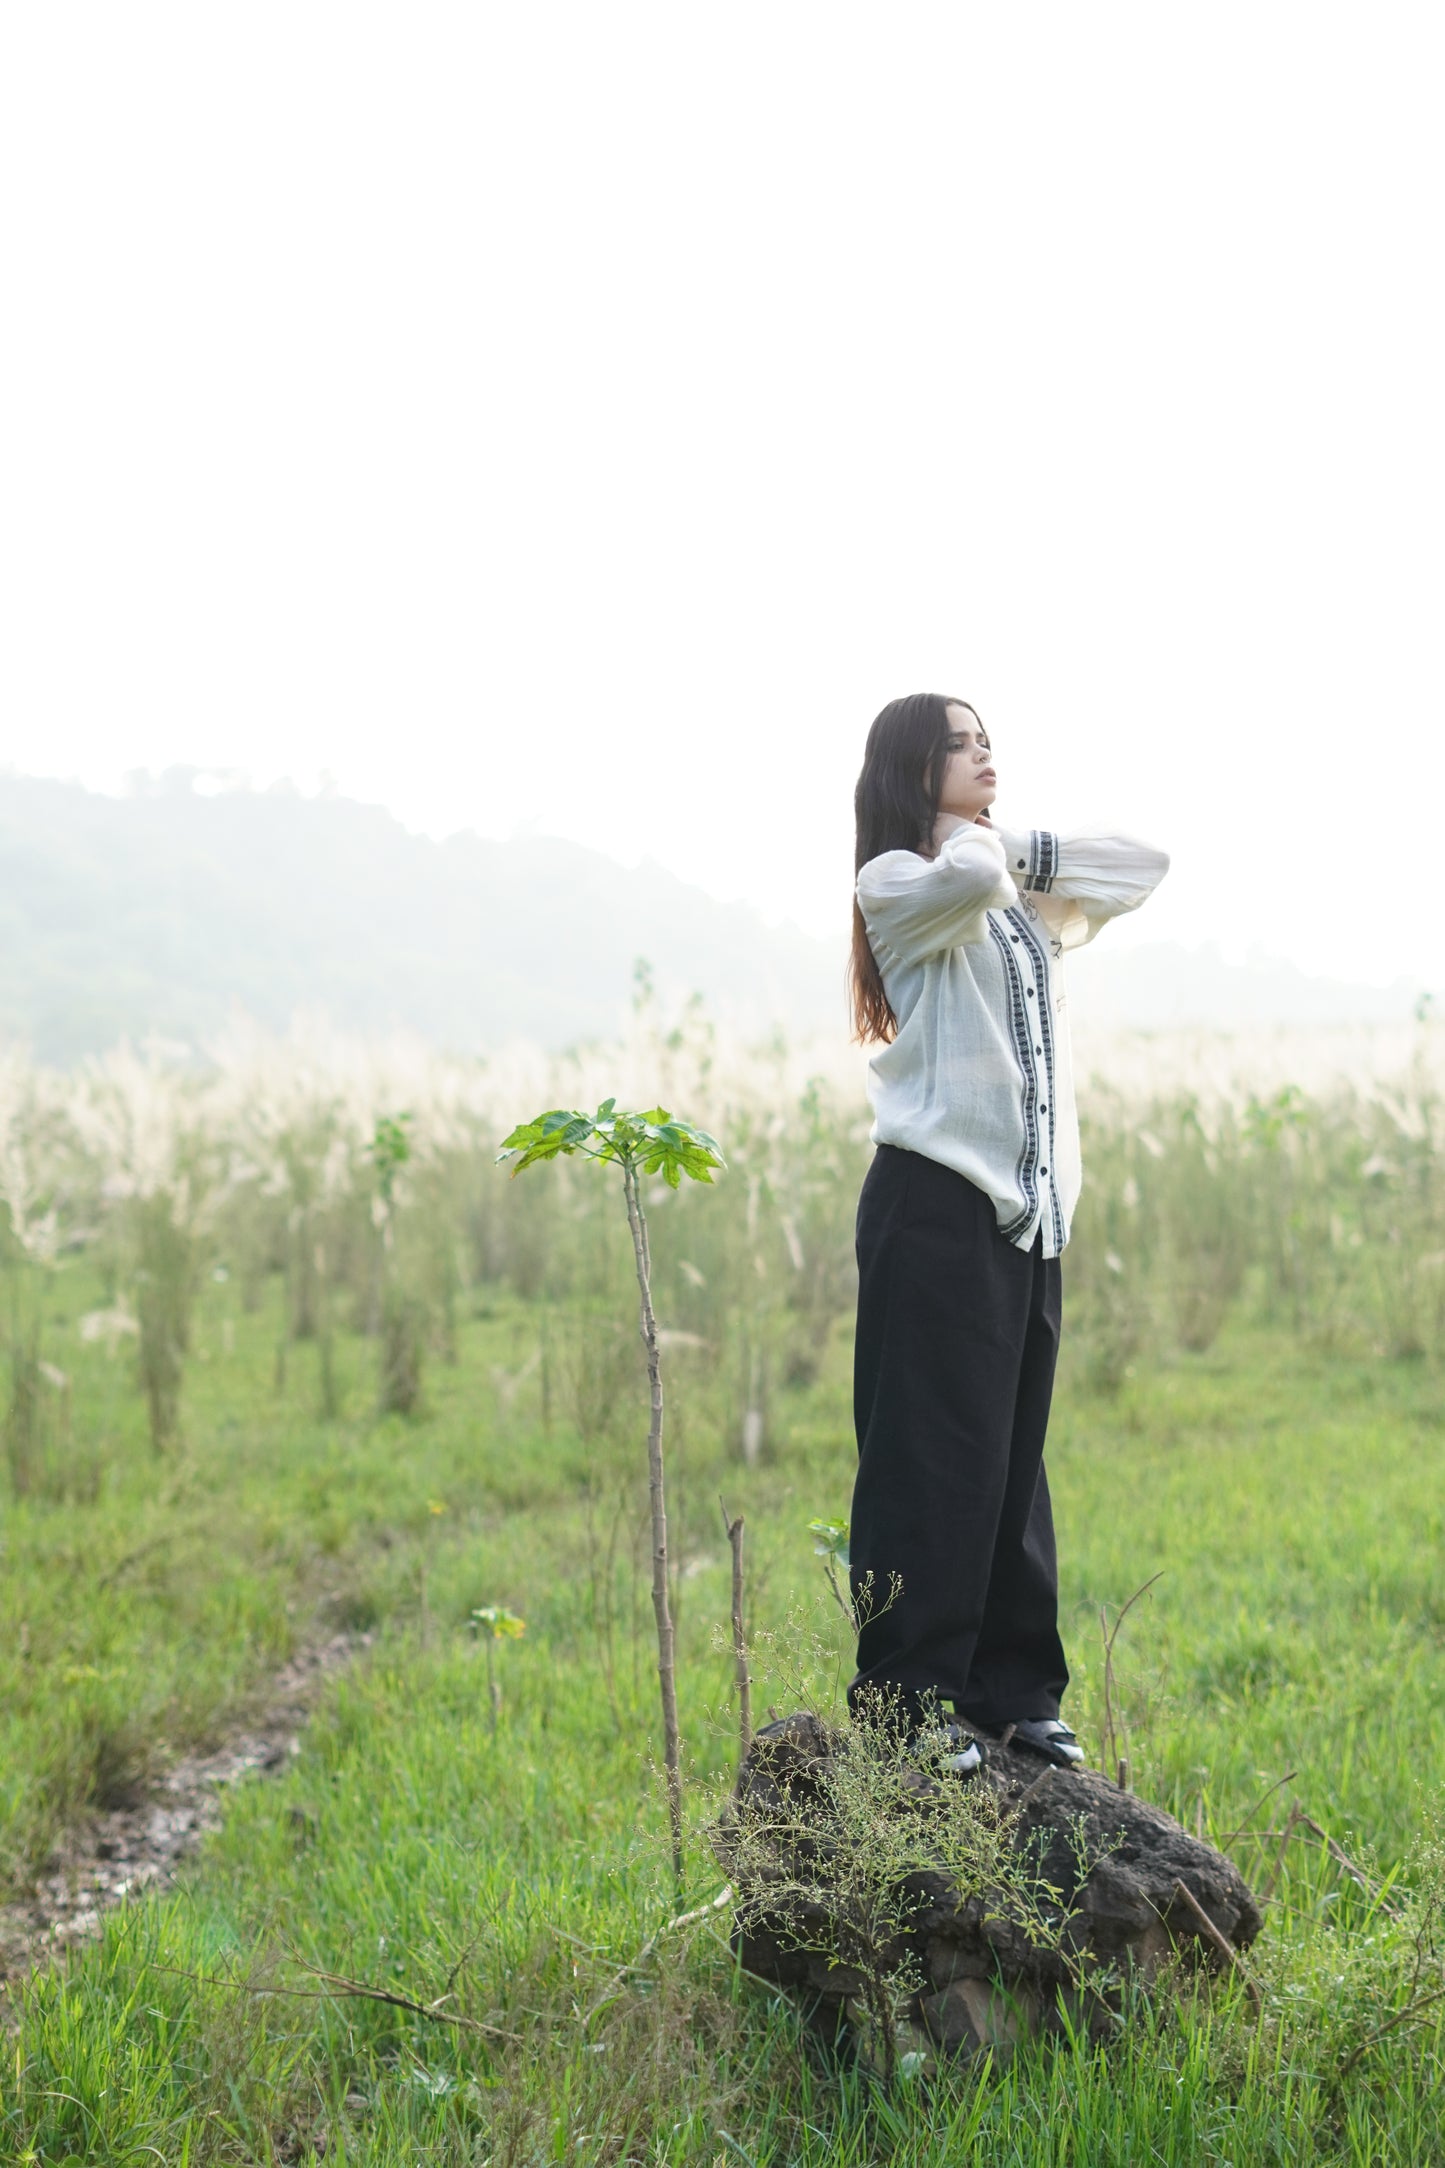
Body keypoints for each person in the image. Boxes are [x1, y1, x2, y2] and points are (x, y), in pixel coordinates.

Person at [846, 692, 1168, 1775]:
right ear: (908, 765)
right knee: (927, 1461)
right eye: (958, 741)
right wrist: (988, 847)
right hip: (933, 1200)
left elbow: (1139, 864)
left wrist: (1015, 842)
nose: (985, 753)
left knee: (1009, 1459)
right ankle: (902, 1710)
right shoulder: (898, 886)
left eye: (988, 740)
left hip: (1027, 1214)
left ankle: (1013, 1692)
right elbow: (973, 876)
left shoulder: (1021, 894)